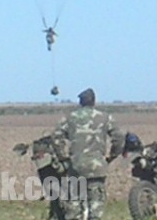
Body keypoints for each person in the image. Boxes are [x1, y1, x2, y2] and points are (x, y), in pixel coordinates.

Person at [52, 88, 124, 220]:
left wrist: (63, 158)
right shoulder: (105, 117)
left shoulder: (70, 117)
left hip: (76, 166)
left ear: (80, 102)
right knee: (95, 208)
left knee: (73, 208)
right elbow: (119, 138)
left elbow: (56, 138)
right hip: (97, 167)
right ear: (94, 101)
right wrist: (111, 157)